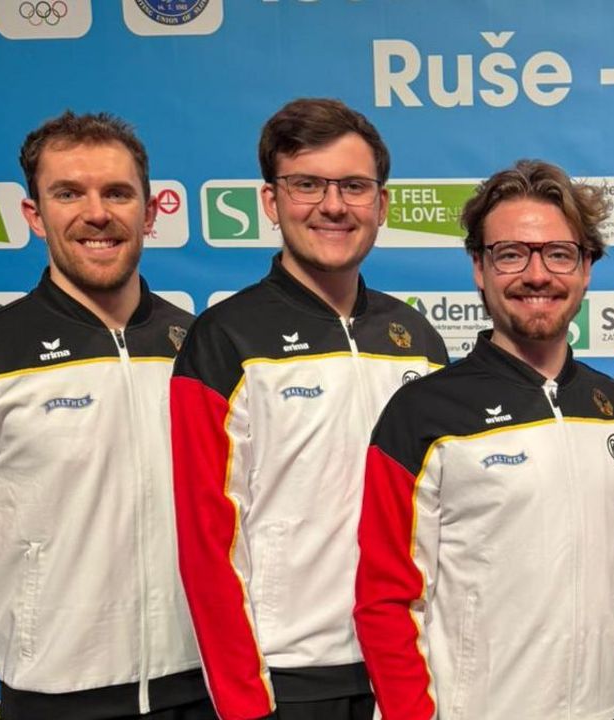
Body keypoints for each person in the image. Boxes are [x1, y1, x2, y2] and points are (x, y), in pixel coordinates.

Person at [170, 98, 447, 720]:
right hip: (286, 680)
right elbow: (205, 543)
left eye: (354, 186)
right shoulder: (224, 340)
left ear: (382, 203)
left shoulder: (420, 340)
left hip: (408, 669)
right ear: (271, 201)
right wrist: (245, 703)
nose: (332, 205)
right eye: (306, 184)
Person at [354, 159, 614, 720]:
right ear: (479, 268)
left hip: (610, 707)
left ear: (586, 269)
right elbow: (385, 600)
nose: (537, 275)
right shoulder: (422, 413)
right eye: (511, 253)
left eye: (559, 253)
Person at [0, 111, 208, 719]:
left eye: (117, 193)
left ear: (150, 213)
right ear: (35, 216)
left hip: (202, 686)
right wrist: (10, 617)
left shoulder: (202, 347)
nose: (97, 213)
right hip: (53, 695)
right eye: (69, 193)